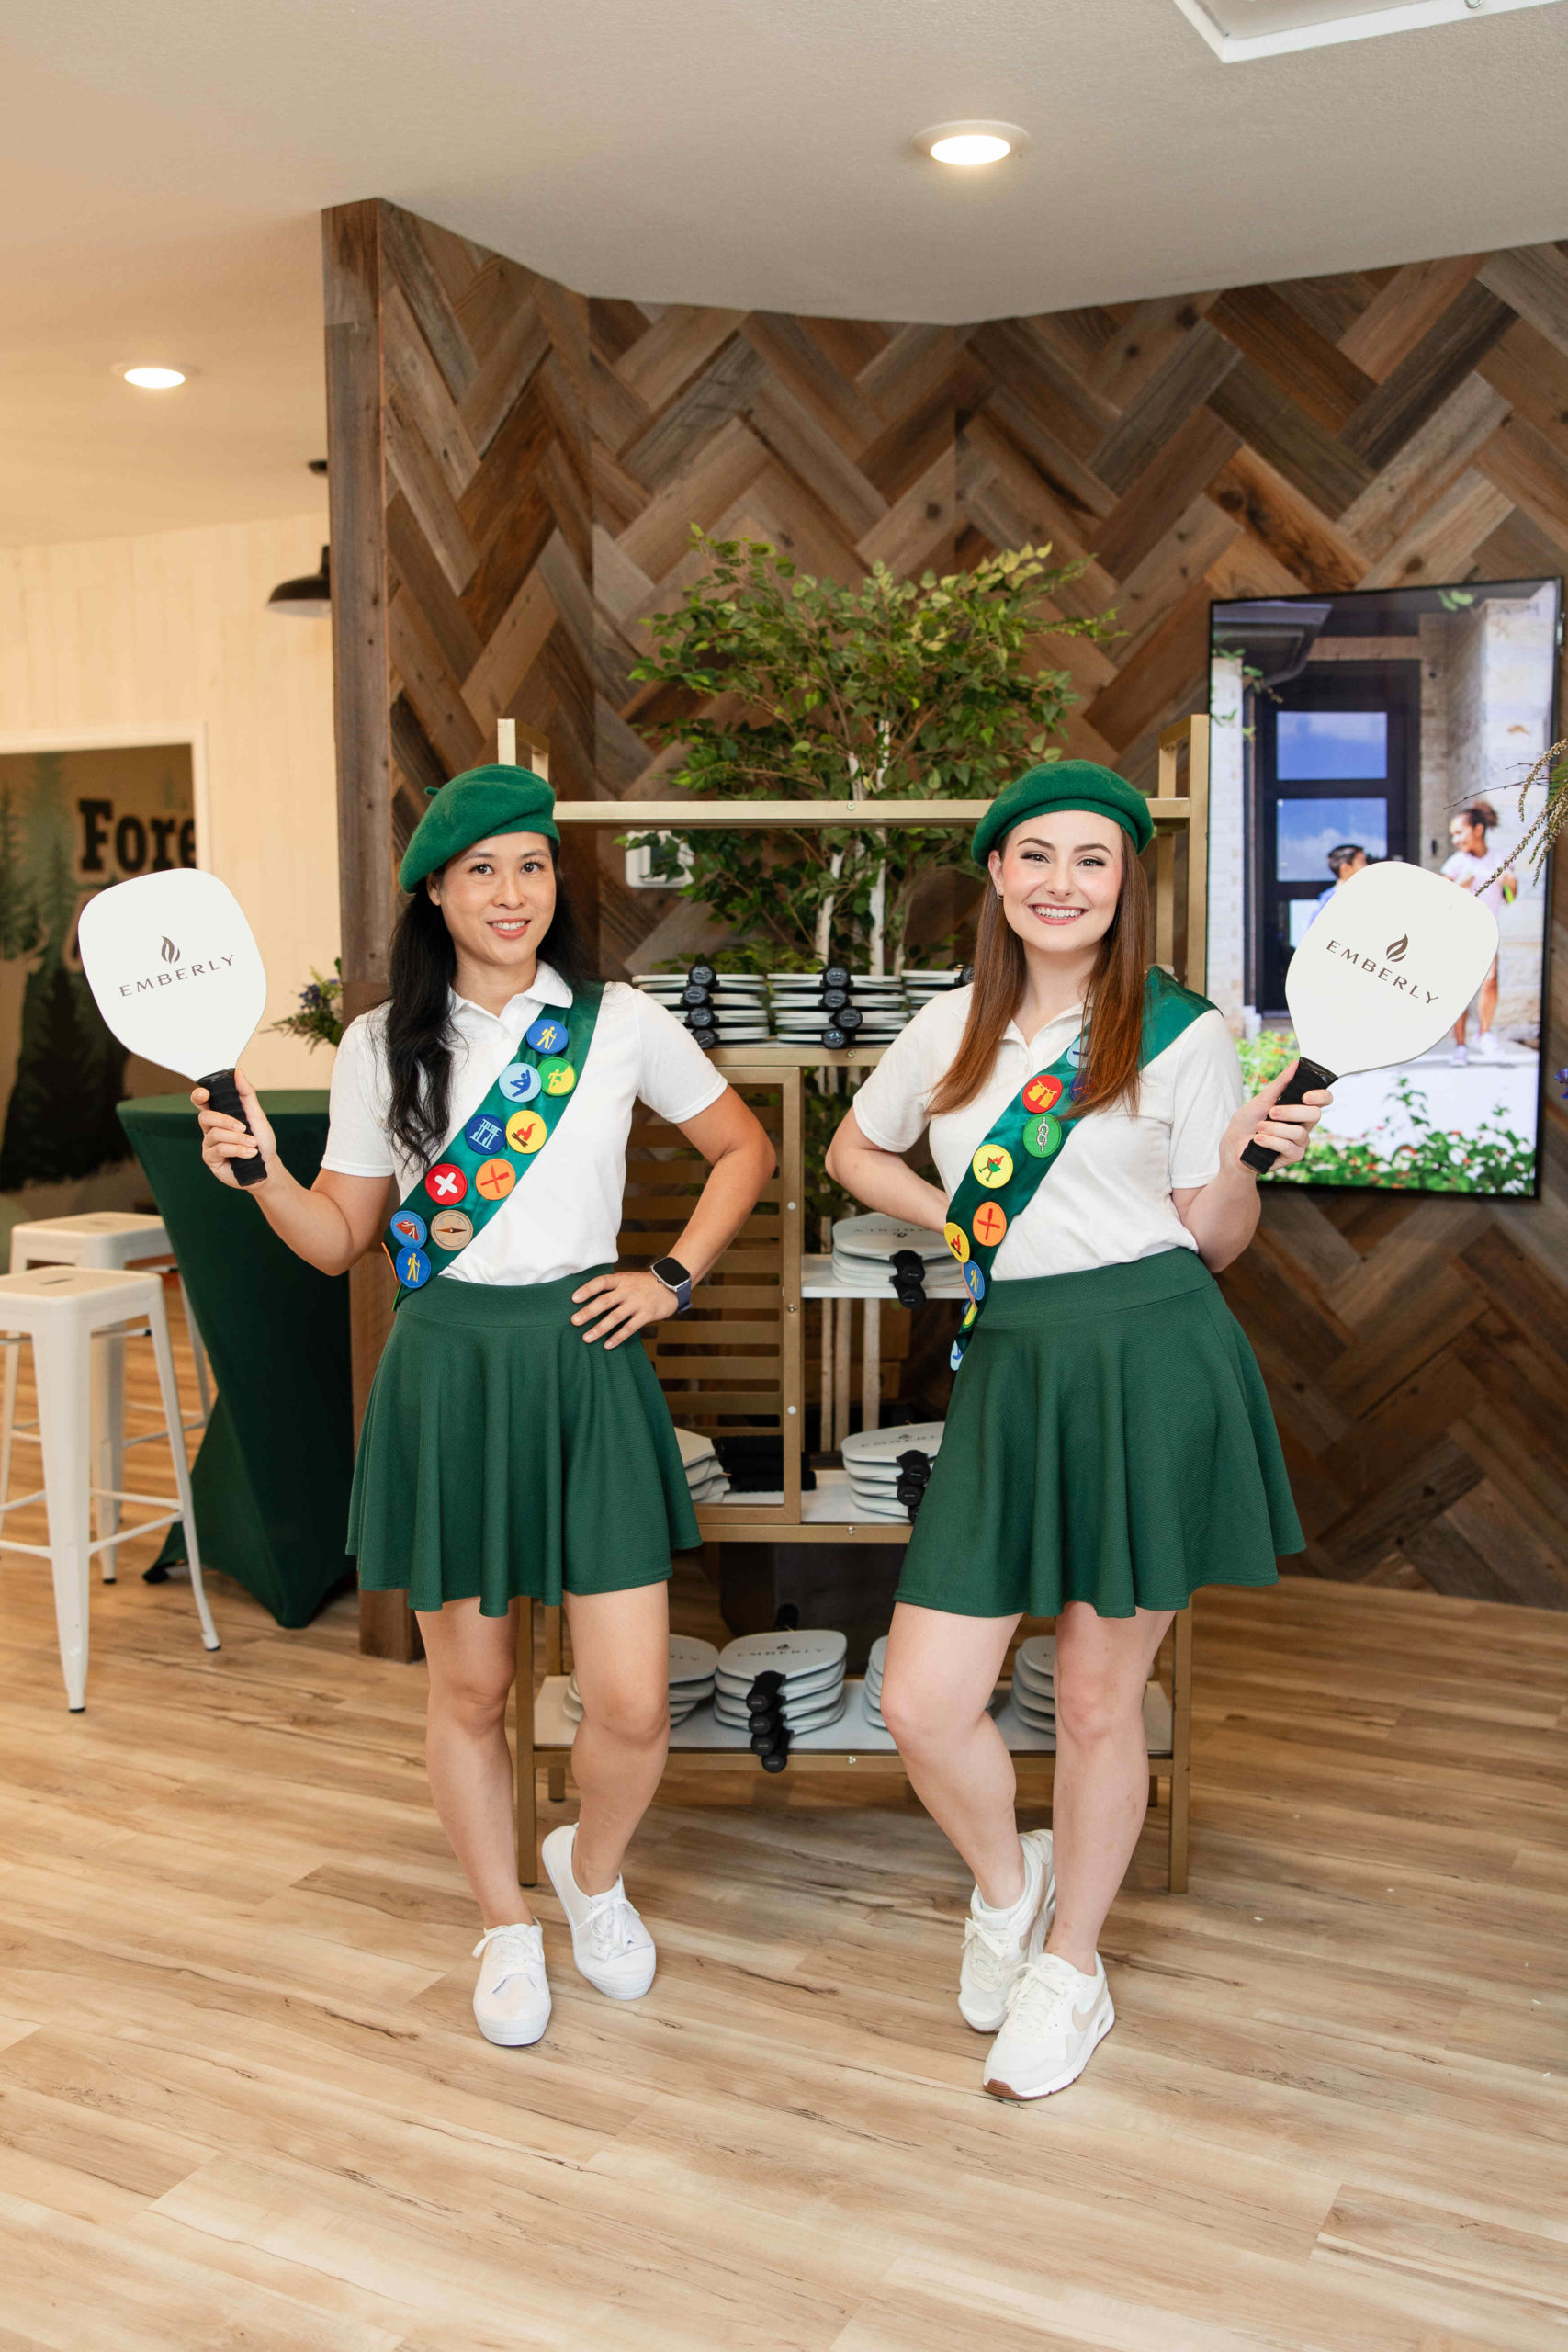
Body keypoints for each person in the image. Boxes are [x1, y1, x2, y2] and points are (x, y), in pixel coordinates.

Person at [195, 764, 773, 2049]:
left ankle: (592, 1871)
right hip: (450, 1366)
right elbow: (335, 1239)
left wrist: (670, 1276)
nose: (511, 894)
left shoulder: (616, 1019)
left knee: (629, 1699)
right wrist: (259, 1177)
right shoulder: (377, 1045)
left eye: (529, 865)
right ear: (434, 896)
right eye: (480, 872)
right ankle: (505, 1922)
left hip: (584, 1358)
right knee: (471, 1688)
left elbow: (745, 1148)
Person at [825, 760, 1326, 2103]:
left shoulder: (1181, 1032)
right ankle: (1008, 1883)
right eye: (1033, 856)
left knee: (1103, 1703)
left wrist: (1246, 1161)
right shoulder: (947, 1029)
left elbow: (1211, 1241)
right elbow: (852, 1157)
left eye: (1090, 860)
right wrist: (959, 1220)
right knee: (918, 1701)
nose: (1061, 882)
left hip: (1150, 1353)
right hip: (1015, 1368)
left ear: (1124, 883)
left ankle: (1072, 1968)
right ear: (994, 877)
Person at [1442, 801, 1517, 1063]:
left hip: (1487, 933)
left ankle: (1484, 1034)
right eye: (1453, 834)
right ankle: (1460, 1046)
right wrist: (1458, 887)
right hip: (1458, 935)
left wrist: (1510, 884)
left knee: (1491, 981)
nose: (1455, 839)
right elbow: (1438, 900)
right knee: (1459, 990)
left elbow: (1509, 898)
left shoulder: (1500, 859)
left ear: (1478, 829)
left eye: (1459, 833)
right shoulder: (1456, 864)